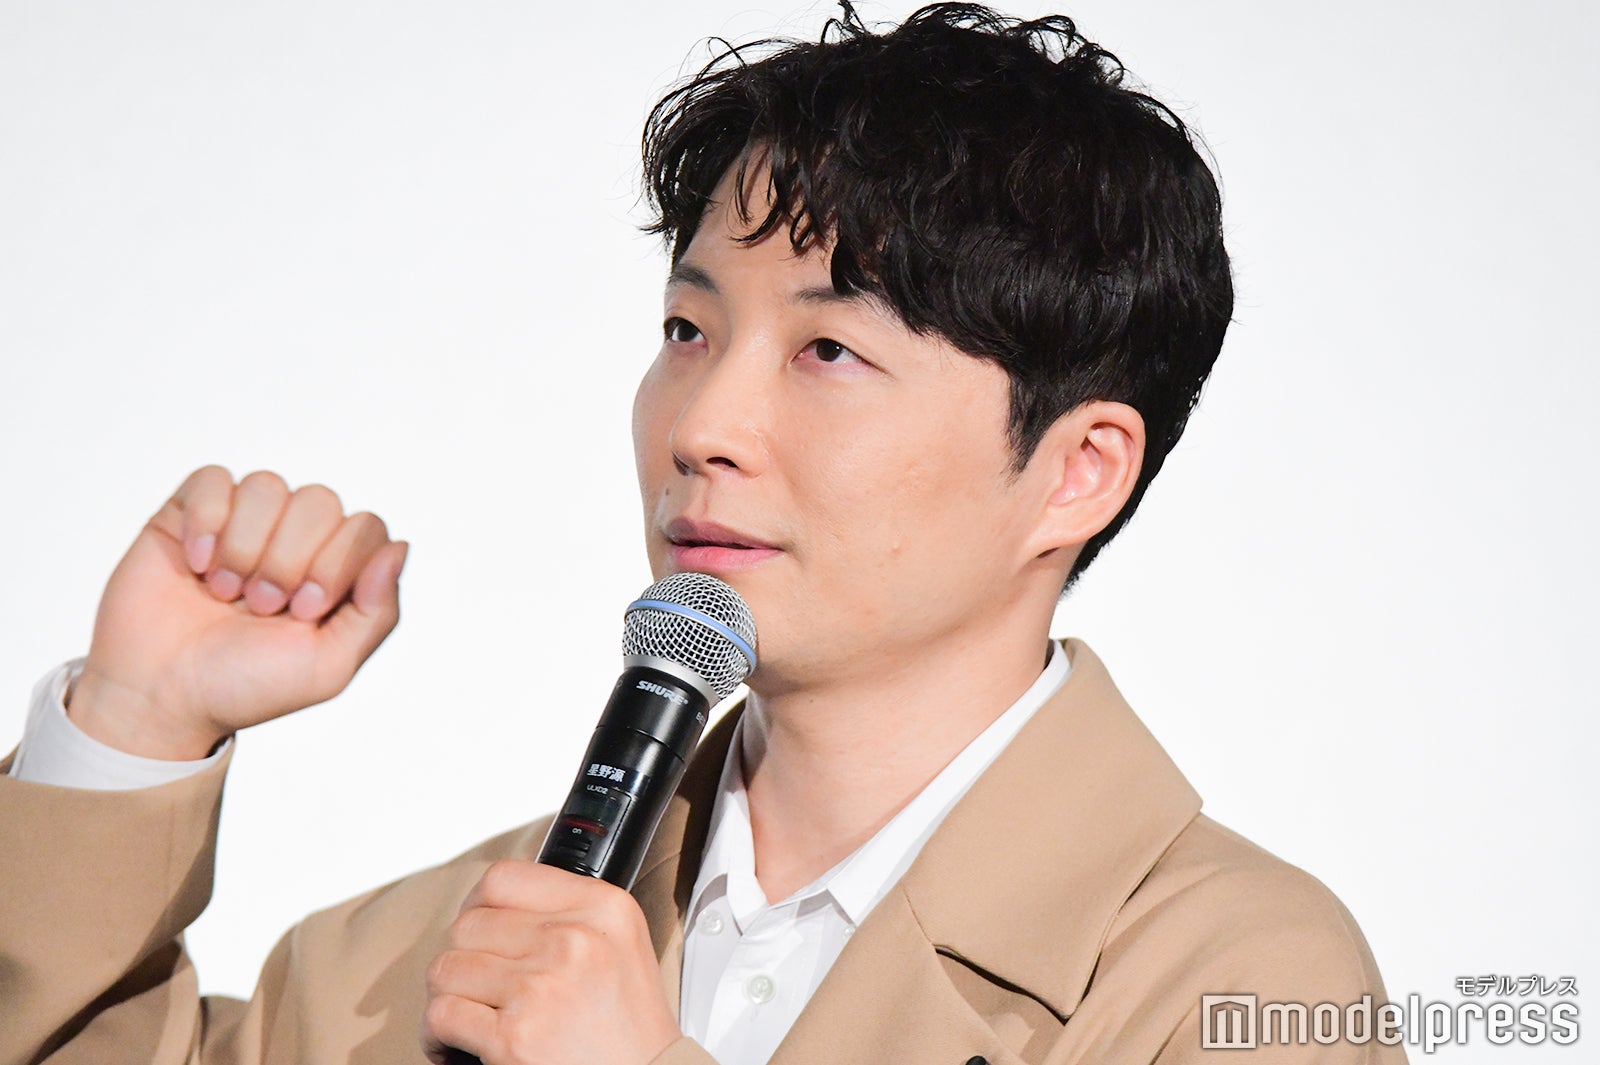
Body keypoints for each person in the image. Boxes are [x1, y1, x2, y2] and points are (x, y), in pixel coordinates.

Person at [0, 4, 1405, 1064]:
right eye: (688, 328)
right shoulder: (449, 945)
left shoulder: (1232, 978)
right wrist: (134, 721)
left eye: (829, 351)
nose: (703, 424)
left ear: (1075, 474)